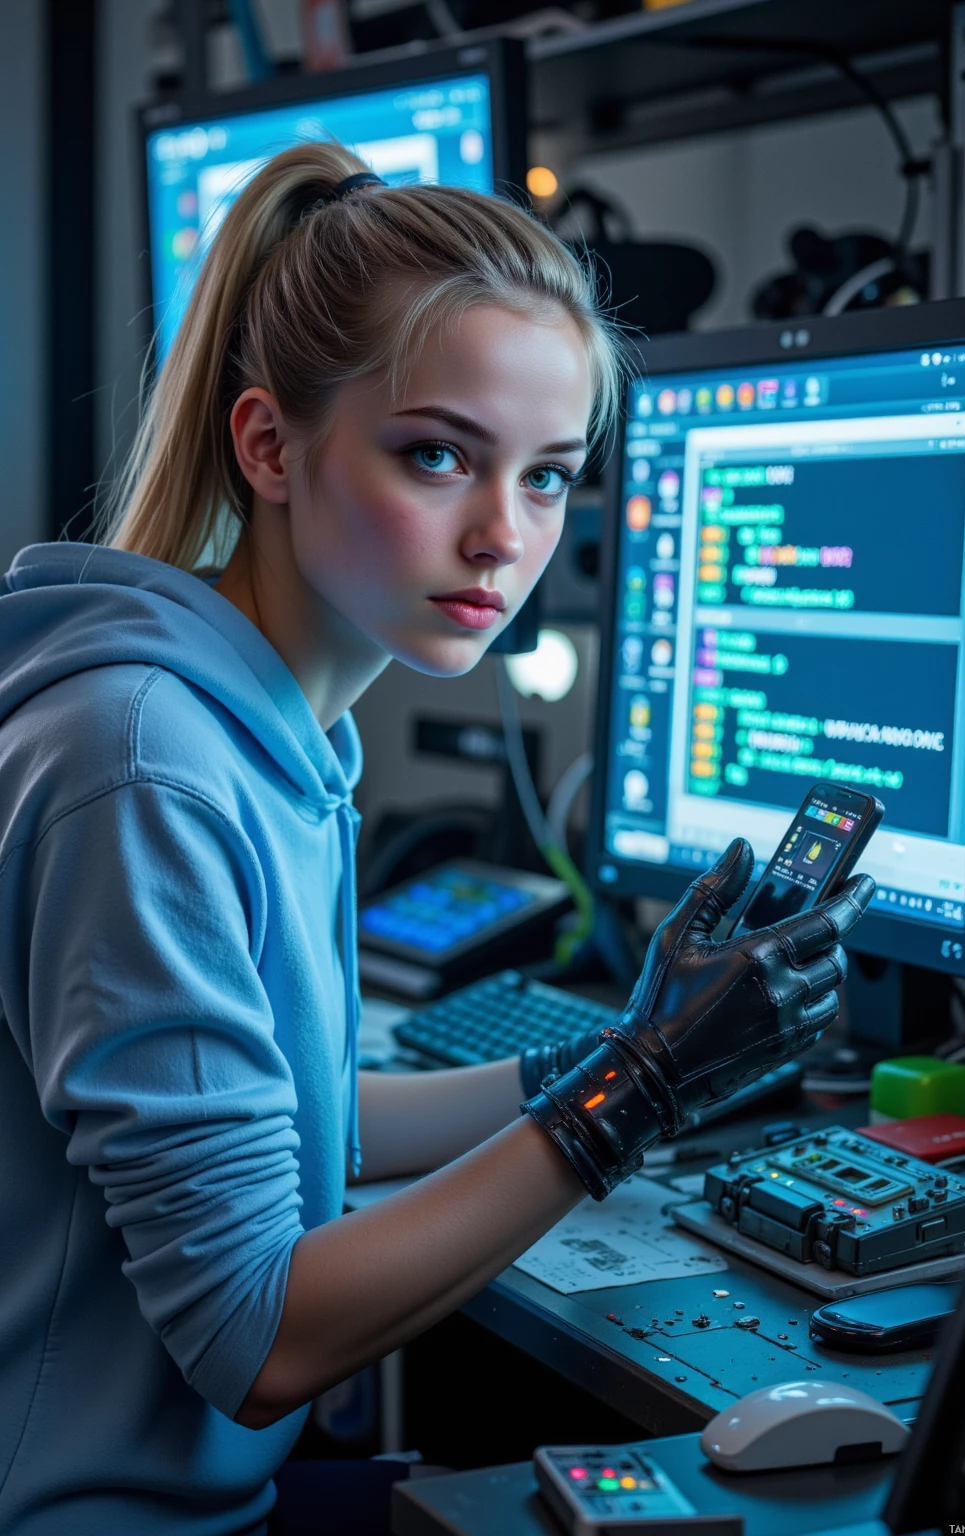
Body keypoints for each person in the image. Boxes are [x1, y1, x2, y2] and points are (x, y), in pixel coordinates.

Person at [0, 144, 872, 1536]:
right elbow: (259, 1335)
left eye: (548, 478)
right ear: (269, 445)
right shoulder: (142, 761)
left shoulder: (267, 732)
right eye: (437, 455)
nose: (501, 540)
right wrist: (632, 1093)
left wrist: (629, 1046)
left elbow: (311, 1116)